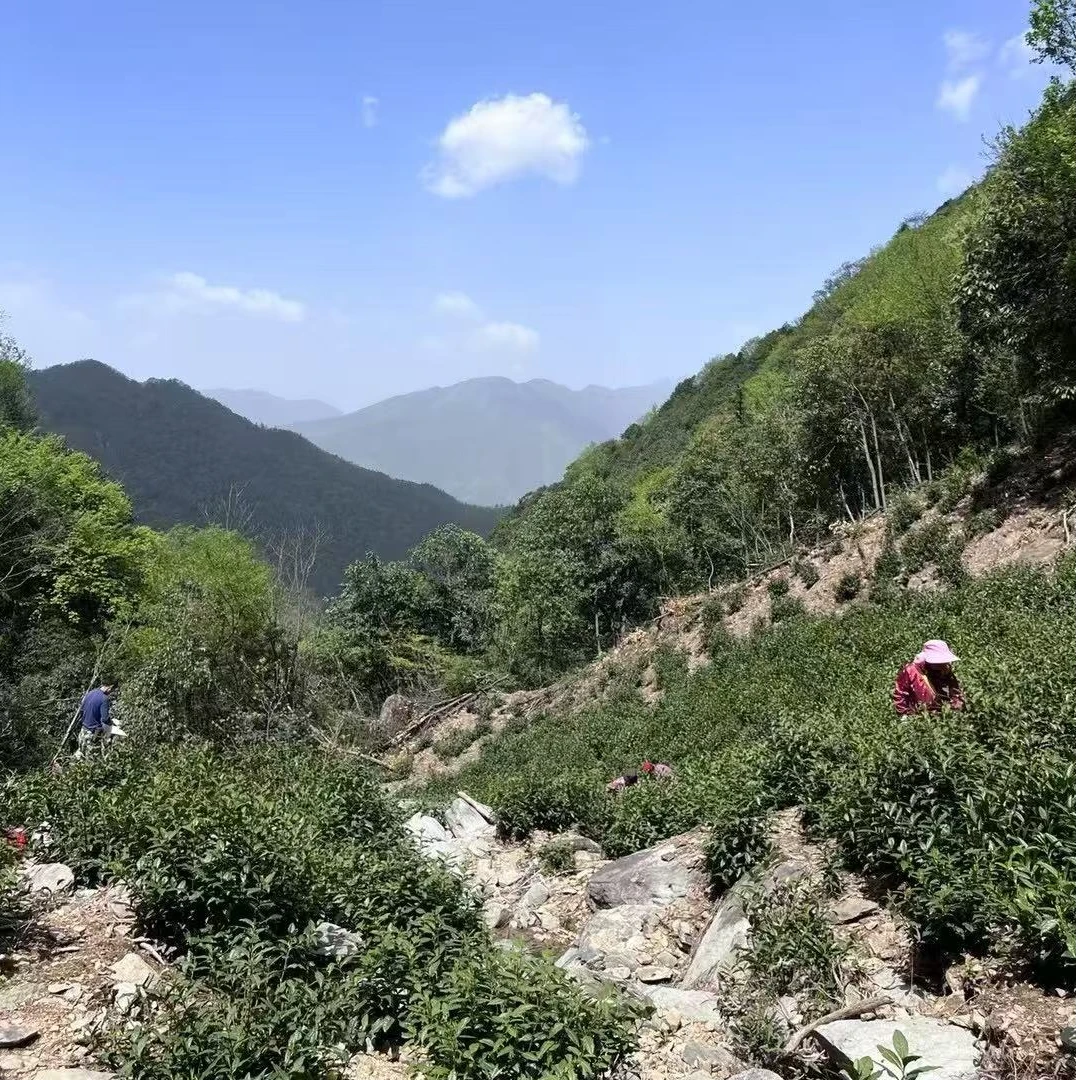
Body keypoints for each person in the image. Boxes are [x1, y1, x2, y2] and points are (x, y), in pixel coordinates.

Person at [893, 640, 965, 716]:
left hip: (940, 713)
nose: (941, 664)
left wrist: (956, 707)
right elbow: (900, 693)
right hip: (916, 714)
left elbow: (954, 690)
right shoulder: (911, 670)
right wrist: (903, 714)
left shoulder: (945, 669)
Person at [75, 681, 122, 757]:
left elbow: (82, 709)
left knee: (80, 758)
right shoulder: (104, 699)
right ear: (110, 687)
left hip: (83, 732)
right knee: (93, 762)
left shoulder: (90, 693)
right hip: (92, 735)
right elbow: (105, 719)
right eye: (112, 690)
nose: (110, 693)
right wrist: (112, 724)